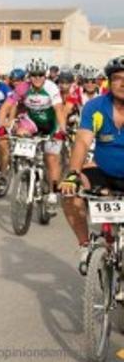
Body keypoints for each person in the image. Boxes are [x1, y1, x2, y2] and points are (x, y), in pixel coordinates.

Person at [61, 56, 124, 274]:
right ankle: (86, 246)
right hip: (103, 171)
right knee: (70, 193)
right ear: (108, 82)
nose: (122, 83)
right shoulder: (95, 107)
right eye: (117, 78)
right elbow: (82, 141)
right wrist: (72, 174)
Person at [0, 58, 67, 205]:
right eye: (34, 75)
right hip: (33, 122)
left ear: (46, 75)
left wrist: (62, 130)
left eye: (40, 74)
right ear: (29, 75)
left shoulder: (51, 88)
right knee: (20, 133)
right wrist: (0, 127)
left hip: (51, 125)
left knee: (51, 159)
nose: (37, 78)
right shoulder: (23, 87)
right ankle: (26, 169)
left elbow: (59, 110)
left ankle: (54, 192)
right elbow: (6, 106)